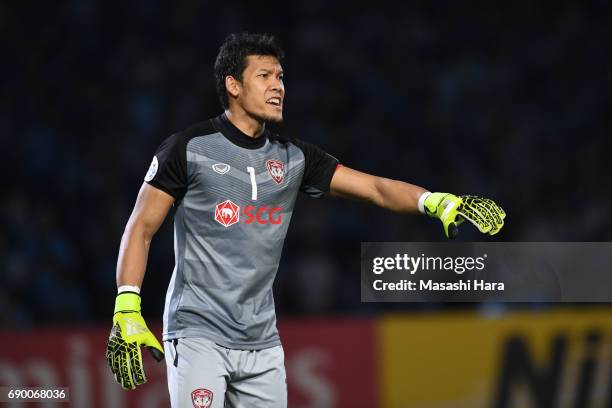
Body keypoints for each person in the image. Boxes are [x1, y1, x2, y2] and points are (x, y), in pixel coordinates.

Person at [105, 32, 505, 407]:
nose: (278, 86)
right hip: (197, 335)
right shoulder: (188, 149)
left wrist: (434, 202)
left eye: (280, 77)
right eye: (264, 76)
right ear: (233, 85)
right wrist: (127, 306)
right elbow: (141, 227)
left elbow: (376, 189)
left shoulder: (294, 158)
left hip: (262, 343)